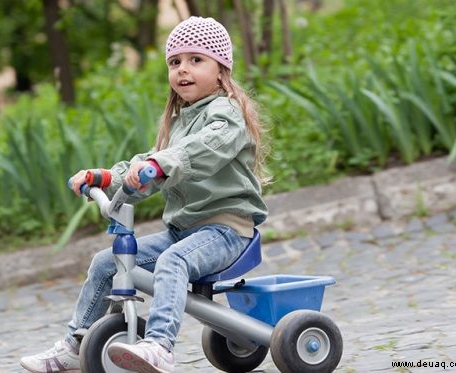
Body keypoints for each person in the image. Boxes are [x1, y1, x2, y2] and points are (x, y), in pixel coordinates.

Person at [20, 16, 269, 373]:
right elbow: (147, 170)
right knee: (106, 263)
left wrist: (163, 163)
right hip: (184, 231)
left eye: (196, 60)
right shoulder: (179, 121)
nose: (183, 69)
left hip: (226, 231)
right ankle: (78, 343)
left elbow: (204, 149)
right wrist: (107, 178)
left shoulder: (226, 115)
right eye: (175, 62)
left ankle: (160, 346)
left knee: (173, 261)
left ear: (221, 70)